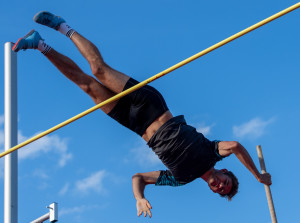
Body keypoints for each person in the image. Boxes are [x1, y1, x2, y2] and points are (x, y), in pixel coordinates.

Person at [13, 11, 272, 218]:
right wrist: (257, 176)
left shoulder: (180, 180)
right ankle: (62, 27)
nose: (220, 185)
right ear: (225, 172)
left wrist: (139, 198)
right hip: (151, 106)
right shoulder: (212, 152)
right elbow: (236, 146)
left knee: (86, 85)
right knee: (98, 70)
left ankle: (40, 45)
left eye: (220, 190)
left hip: (134, 124)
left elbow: (139, 178)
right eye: (225, 182)